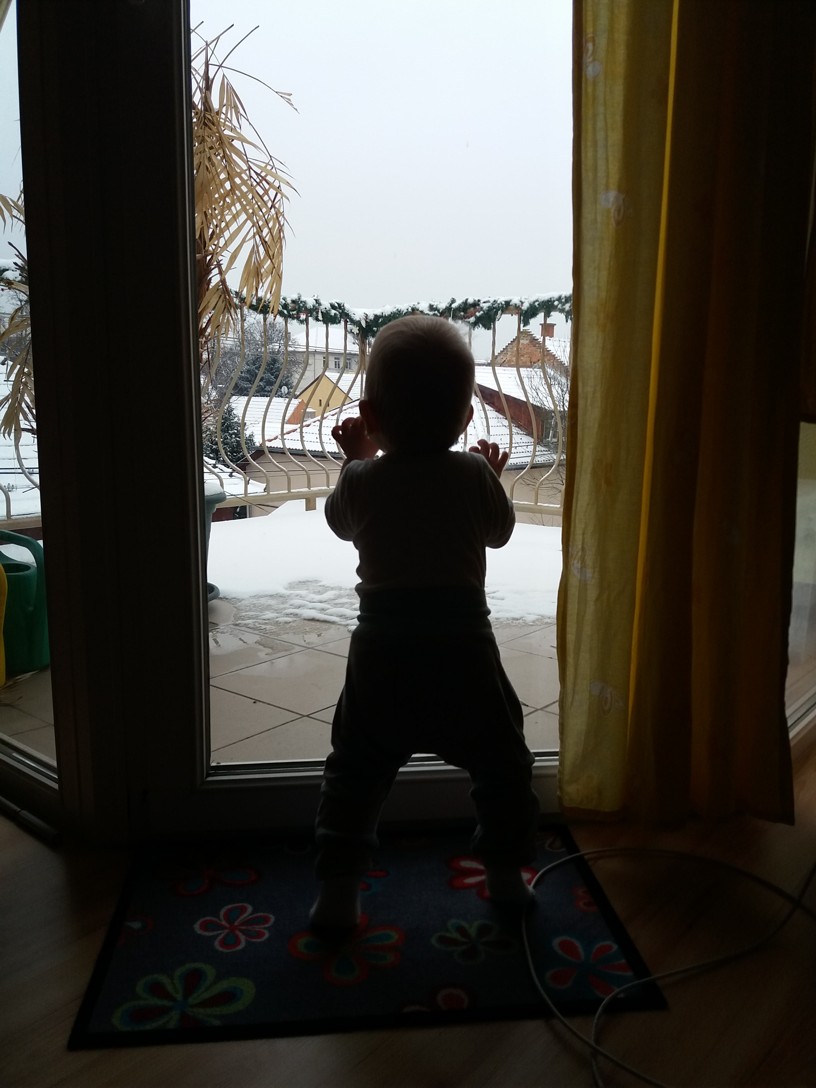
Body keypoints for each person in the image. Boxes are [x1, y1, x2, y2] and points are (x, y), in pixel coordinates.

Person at [310, 314, 540, 934]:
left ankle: (338, 893)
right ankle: (505, 876)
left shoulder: (363, 480)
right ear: (465, 420)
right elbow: (498, 532)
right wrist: (490, 480)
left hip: (382, 652)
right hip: (464, 649)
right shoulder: (471, 475)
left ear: (370, 415)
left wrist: (354, 461)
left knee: (355, 772)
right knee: (501, 764)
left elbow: (339, 523)